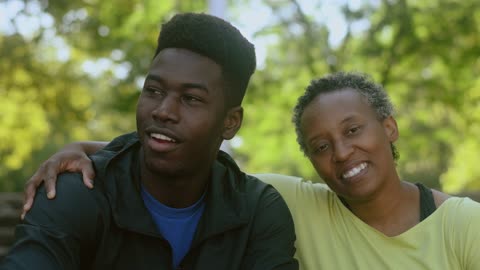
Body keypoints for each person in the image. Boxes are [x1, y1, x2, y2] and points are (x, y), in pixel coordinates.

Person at [19, 72, 480, 269]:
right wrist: (81, 148)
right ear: (312, 161)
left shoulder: (460, 225)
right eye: (321, 146)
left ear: (389, 129)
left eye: (354, 130)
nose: (342, 153)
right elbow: (192, 158)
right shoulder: (291, 200)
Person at [0, 12, 298, 270]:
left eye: (191, 98)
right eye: (154, 90)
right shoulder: (77, 191)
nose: (163, 111)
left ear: (230, 122)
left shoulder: (258, 211)